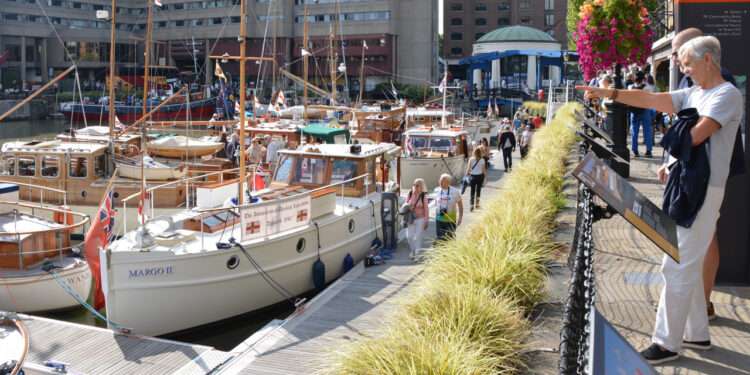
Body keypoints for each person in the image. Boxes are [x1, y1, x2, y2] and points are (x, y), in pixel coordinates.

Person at [578, 35, 743, 364]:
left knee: (676, 263)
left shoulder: (726, 95)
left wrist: (678, 136)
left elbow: (695, 137)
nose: (683, 69)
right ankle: (697, 333)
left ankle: (666, 343)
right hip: (689, 187)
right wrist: (609, 93)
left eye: (687, 63)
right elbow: (653, 101)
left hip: (704, 190)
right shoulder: (697, 93)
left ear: (708, 60)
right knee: (688, 262)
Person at [628, 71, 654, 158]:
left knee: (634, 131)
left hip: (634, 111)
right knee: (647, 131)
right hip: (645, 109)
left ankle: (635, 151)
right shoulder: (647, 88)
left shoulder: (630, 87)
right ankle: (648, 151)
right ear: (643, 78)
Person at [433, 174, 463, 241]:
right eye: (440, 181)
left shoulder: (455, 191)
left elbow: (460, 205)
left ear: (448, 182)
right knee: (440, 239)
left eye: (442, 181)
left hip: (450, 219)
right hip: (439, 218)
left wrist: (460, 217)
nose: (440, 183)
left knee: (450, 238)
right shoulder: (436, 190)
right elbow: (436, 203)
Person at [405, 178, 429, 260]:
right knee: (409, 237)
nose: (415, 186)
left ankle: (417, 254)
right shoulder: (410, 193)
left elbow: (426, 209)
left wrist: (426, 221)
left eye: (417, 185)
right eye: (414, 185)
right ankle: (413, 251)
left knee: (418, 237)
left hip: (420, 219)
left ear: (421, 186)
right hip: (411, 218)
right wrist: (411, 201)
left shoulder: (423, 196)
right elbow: (405, 205)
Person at [466, 147, 487, 212]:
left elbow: (468, 169)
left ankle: (471, 205)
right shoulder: (482, 160)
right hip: (480, 176)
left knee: (472, 191)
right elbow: (483, 170)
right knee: (478, 190)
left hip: (472, 177)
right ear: (480, 153)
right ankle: (477, 204)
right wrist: (486, 177)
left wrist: (466, 175)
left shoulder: (471, 159)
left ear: (474, 152)